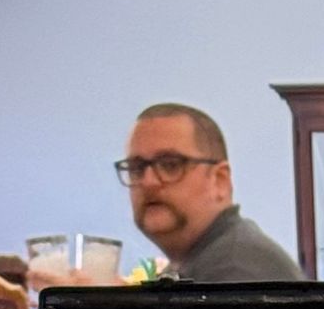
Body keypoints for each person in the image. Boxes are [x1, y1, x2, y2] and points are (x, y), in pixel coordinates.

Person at [115, 104, 303, 283]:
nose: (149, 182)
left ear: (220, 181)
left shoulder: (237, 270)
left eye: (170, 165)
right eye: (136, 168)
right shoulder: (199, 262)